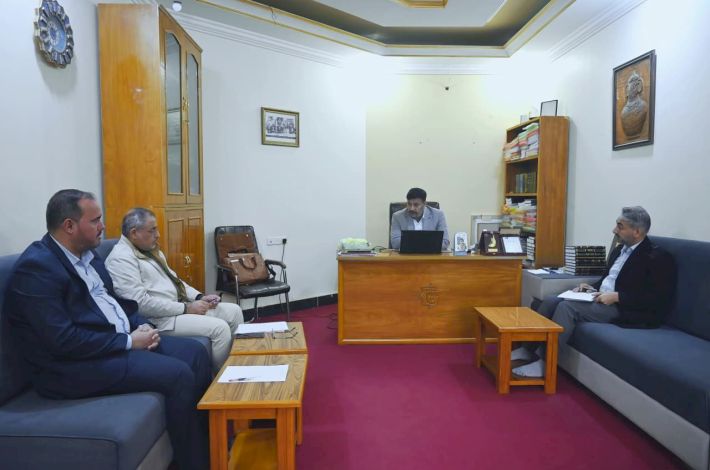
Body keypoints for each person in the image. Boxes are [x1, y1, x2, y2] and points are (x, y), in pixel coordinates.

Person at [4, 189, 210, 470]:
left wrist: (142, 326)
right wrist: (129, 342)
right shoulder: (37, 269)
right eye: (95, 220)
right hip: (70, 368)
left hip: (110, 344)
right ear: (69, 226)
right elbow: (62, 341)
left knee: (196, 354)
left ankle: (205, 443)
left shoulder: (89, 256)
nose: (103, 226)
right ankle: (194, 463)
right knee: (178, 374)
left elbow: (117, 304)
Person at [512, 206, 676, 378]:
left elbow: (658, 298)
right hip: (599, 297)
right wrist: (591, 287)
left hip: (624, 308)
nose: (614, 230)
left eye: (620, 226)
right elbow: (608, 279)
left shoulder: (657, 257)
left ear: (637, 232)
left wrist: (618, 297)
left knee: (567, 308)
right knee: (551, 300)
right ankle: (527, 349)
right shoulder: (619, 250)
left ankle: (547, 364)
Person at [106, 207, 244, 374]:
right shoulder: (121, 259)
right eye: (152, 230)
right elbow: (139, 304)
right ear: (134, 233)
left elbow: (175, 281)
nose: (158, 235)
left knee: (234, 311)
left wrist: (199, 296)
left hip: (178, 308)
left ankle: (239, 366)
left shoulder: (150, 251)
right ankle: (220, 380)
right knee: (220, 329)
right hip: (160, 319)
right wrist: (187, 308)